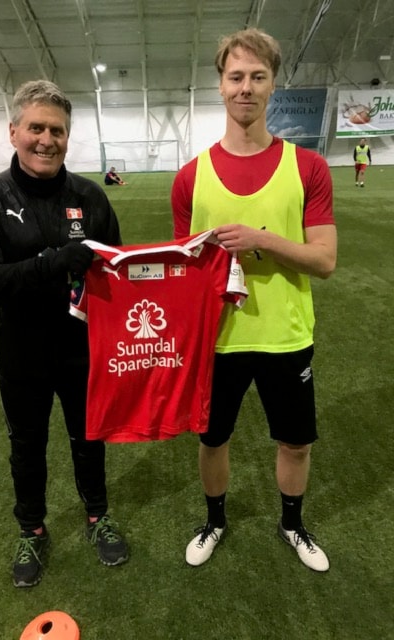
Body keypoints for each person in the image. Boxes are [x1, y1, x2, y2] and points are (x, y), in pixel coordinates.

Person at [171, 28, 337, 573]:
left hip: (286, 336)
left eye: (258, 77)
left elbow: (325, 261)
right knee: (213, 440)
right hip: (217, 340)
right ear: (220, 85)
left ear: (272, 86)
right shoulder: (190, 178)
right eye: (236, 76)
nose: (246, 87)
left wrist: (260, 239)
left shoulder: (308, 168)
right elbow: (183, 270)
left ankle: (292, 525)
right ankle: (214, 521)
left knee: (296, 444)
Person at [0, 79, 129, 588]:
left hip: (82, 350)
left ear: (67, 138)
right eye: (36, 128)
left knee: (89, 437)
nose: (46, 140)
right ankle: (31, 529)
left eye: (57, 131)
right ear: (14, 131)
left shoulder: (90, 196)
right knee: (27, 445)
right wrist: (53, 263)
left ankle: (98, 516)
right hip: (21, 352)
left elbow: (117, 271)